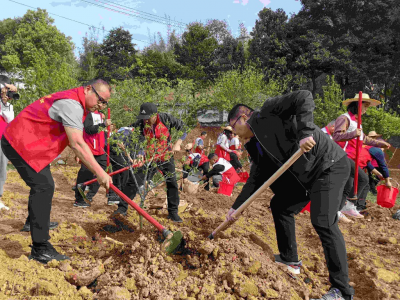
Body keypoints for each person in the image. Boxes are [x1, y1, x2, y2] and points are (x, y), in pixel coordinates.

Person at [226, 90, 354, 300]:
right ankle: (289, 259)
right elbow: (256, 178)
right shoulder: (254, 144)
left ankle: (342, 291)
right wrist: (236, 207)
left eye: (234, 127)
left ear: (243, 117)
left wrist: (305, 134)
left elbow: (303, 97)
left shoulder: (268, 111)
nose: (234, 134)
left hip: (327, 165)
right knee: (280, 205)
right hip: (305, 178)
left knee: (323, 221)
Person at [1, 79, 112, 264]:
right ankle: (40, 248)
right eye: (100, 100)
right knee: (44, 186)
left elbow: (72, 139)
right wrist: (100, 173)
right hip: (18, 142)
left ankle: (34, 222)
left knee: (43, 185)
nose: (101, 106)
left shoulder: (76, 102)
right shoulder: (72, 104)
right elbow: (76, 143)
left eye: (105, 103)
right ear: (87, 90)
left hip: (31, 145)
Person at [113, 102, 186, 223]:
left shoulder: (166, 119)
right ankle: (122, 208)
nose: (145, 121)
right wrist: (139, 155)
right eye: (143, 119)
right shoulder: (140, 124)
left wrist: (178, 143)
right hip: (149, 158)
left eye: (147, 118)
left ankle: (173, 213)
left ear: (155, 115)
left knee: (172, 182)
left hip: (165, 156)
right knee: (134, 181)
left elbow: (184, 128)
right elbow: (136, 139)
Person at [333, 94, 390, 212]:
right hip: (344, 156)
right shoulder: (344, 119)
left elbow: (364, 139)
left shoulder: (357, 122)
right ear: (358, 105)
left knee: (348, 186)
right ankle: (348, 206)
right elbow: (337, 136)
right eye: (365, 106)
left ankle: (339, 210)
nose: (366, 109)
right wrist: (353, 134)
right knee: (363, 179)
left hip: (353, 159)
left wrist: (380, 144)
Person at [73, 102, 114, 207]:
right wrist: (103, 124)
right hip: (90, 149)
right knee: (84, 173)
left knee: (101, 173)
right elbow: (88, 129)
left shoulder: (101, 115)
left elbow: (100, 132)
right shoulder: (88, 114)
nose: (103, 106)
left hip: (100, 151)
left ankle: (90, 196)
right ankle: (79, 199)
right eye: (102, 103)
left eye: (105, 104)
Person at [0, 76, 19, 211]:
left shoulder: (6, 104)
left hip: (2, 140)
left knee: (1, 171)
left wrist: (5, 103)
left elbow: (10, 120)